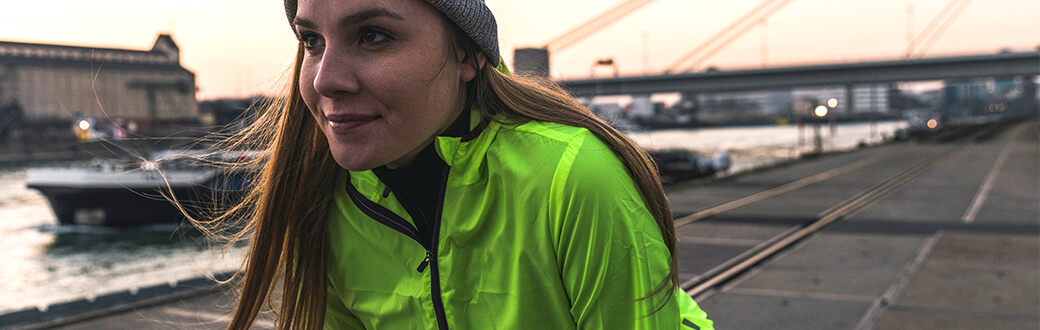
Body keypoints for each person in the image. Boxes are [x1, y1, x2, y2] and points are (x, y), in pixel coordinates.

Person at [216, 0, 714, 328]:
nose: (325, 80)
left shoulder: (573, 178)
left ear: (468, 55)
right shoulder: (324, 201)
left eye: (372, 36)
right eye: (311, 42)